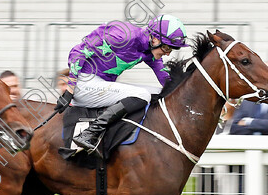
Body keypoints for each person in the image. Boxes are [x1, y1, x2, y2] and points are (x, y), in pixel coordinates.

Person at [69, 15, 187, 152]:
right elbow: (77, 52)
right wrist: (70, 89)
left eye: (170, 50)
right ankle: (90, 133)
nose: (167, 54)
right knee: (142, 94)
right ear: (155, 39)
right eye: (166, 48)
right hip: (84, 84)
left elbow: (167, 81)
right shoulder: (123, 36)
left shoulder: (148, 51)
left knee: (160, 93)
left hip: (100, 84)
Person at [56, 68, 103, 195]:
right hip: (71, 174)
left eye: (65, 83)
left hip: (90, 172)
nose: (62, 88)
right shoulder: (61, 109)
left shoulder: (89, 107)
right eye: (60, 84)